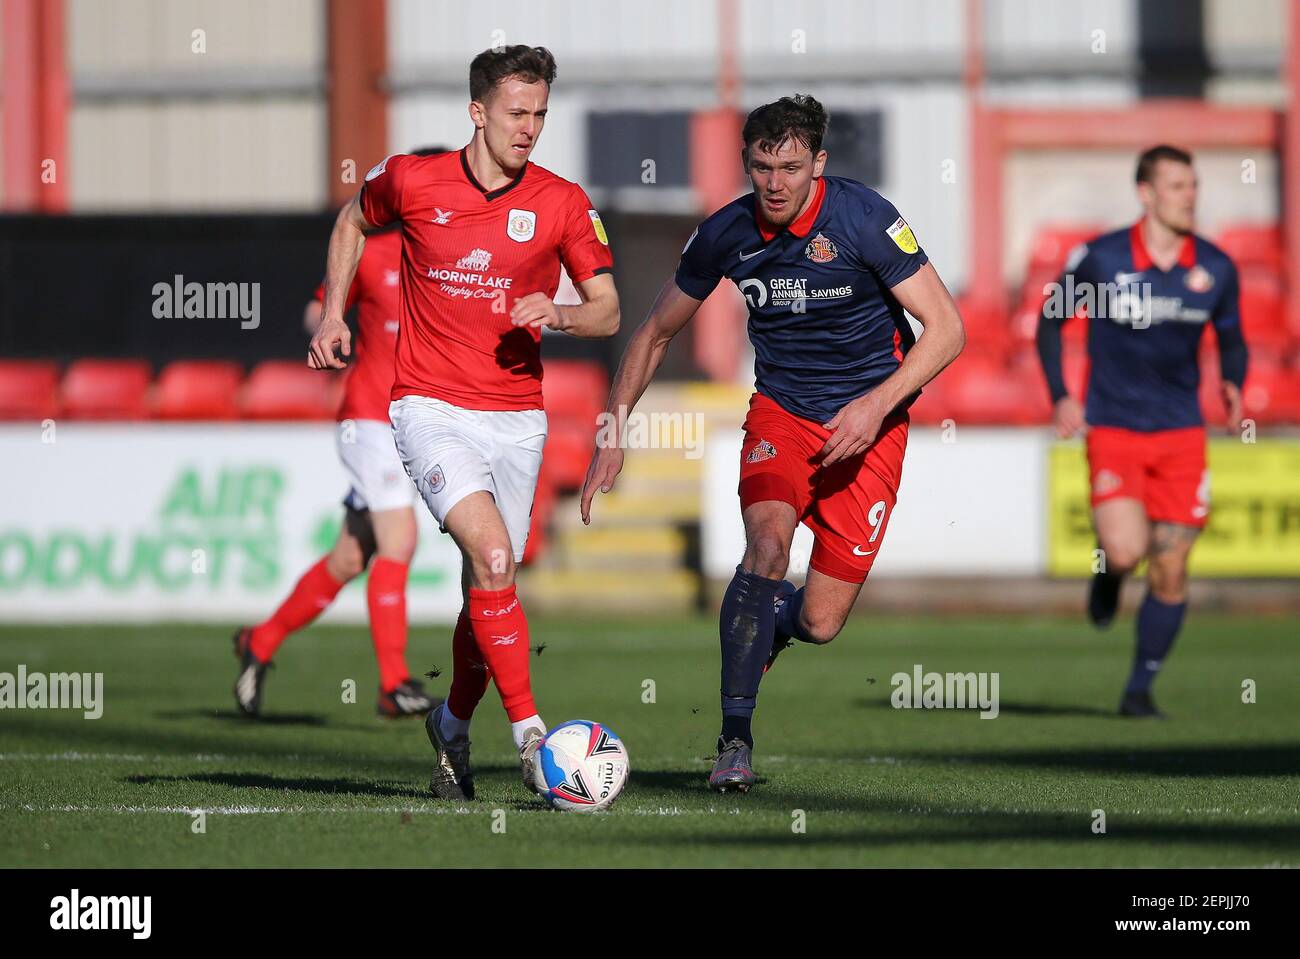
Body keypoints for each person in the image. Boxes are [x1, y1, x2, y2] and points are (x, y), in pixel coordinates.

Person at [581, 94, 964, 791]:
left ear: (818, 162)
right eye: (762, 167)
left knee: (820, 621)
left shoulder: (864, 219)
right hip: (782, 417)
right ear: (747, 165)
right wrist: (613, 427)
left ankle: (771, 624)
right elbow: (654, 332)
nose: (776, 183)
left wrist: (875, 407)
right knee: (765, 546)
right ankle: (734, 740)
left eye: (791, 166)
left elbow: (947, 328)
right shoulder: (726, 233)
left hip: (870, 426)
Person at [309, 46, 620, 799]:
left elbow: (607, 309)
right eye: (518, 113)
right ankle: (532, 738)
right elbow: (352, 219)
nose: (531, 128)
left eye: (541, 113)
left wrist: (564, 313)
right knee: (494, 559)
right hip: (429, 407)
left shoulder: (563, 202)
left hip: (517, 418)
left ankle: (451, 723)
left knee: (488, 587)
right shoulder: (413, 180)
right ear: (477, 112)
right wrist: (335, 313)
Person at [232, 147, 448, 720]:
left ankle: (260, 641)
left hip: (415, 426)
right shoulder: (372, 252)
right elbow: (317, 308)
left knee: (351, 558)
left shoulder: (458, 260)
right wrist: (330, 326)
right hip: (369, 417)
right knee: (400, 541)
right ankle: (394, 682)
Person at [1036, 144, 1248, 718]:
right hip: (1116, 428)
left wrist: (1233, 381)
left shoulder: (1214, 269)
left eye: (1194, 185)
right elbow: (1050, 323)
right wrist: (1060, 395)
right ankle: (1110, 574)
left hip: (1181, 432)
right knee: (1127, 551)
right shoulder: (1103, 259)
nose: (1190, 196)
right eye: (1178, 186)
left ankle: (1138, 689)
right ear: (1147, 194)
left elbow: (1231, 336)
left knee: (1173, 565)